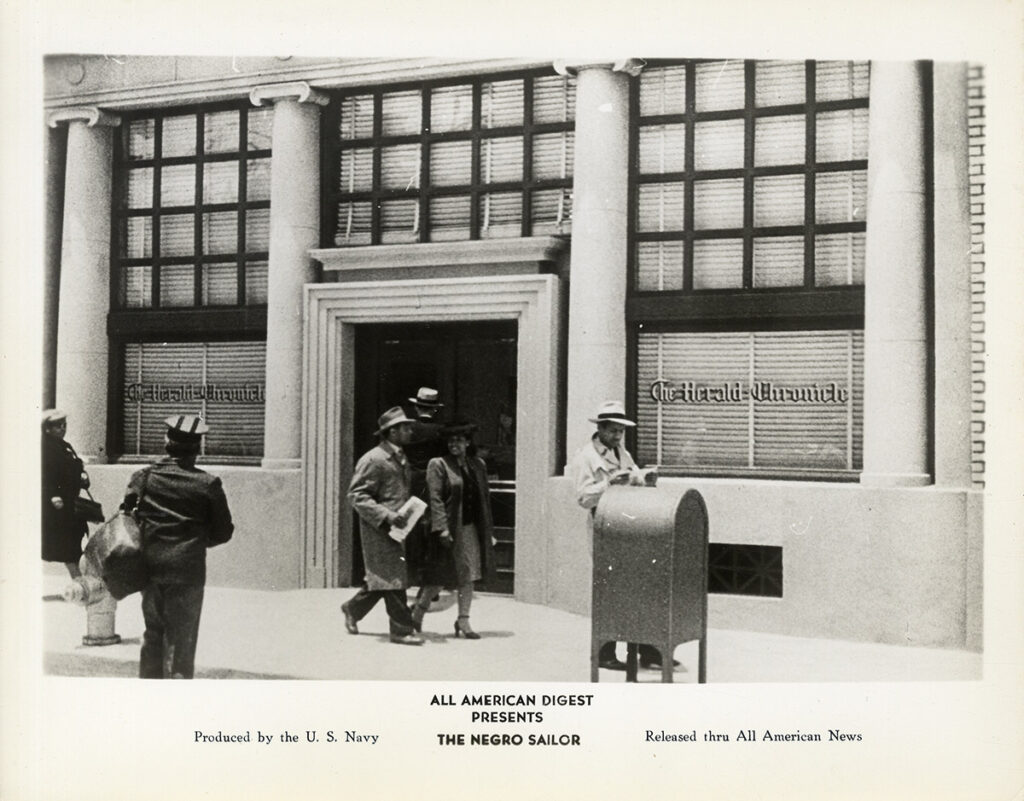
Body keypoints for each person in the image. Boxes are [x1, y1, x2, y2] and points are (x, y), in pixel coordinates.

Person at [123, 414, 234, 679]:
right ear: (197, 448)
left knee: (153, 634)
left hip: (149, 569)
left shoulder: (143, 477)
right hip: (187, 571)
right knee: (180, 641)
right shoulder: (207, 484)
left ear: (166, 442)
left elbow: (126, 517)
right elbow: (224, 531)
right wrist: (195, 541)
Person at [570, 400, 673, 671]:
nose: (617, 436)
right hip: (605, 528)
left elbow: (631, 478)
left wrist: (643, 479)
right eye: (613, 431)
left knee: (639, 587)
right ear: (601, 429)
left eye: (620, 431)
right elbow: (582, 497)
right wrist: (608, 484)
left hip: (628, 527)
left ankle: (647, 649)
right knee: (611, 591)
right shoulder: (586, 457)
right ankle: (604, 652)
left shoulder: (621, 453)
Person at [341, 406, 424, 646]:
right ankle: (401, 630)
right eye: (406, 427)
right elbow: (356, 495)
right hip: (380, 528)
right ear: (392, 432)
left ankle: (352, 609)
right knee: (394, 578)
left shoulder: (400, 456)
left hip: (399, 527)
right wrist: (387, 516)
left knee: (385, 577)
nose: (410, 431)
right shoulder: (373, 459)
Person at [415, 419, 495, 638]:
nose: (454, 445)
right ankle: (417, 614)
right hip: (448, 530)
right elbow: (435, 498)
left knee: (467, 576)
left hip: (470, 529)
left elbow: (484, 500)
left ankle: (463, 621)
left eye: (459, 440)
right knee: (440, 577)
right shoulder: (438, 464)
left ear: (468, 442)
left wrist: (489, 532)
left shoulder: (478, 465)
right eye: (451, 441)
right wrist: (441, 528)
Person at [401, 387, 446, 615]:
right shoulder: (440, 431)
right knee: (431, 536)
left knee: (410, 533)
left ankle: (410, 579)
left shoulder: (408, 429)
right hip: (432, 484)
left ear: (417, 407)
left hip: (410, 485)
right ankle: (430, 586)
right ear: (434, 410)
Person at [41, 409, 89, 579]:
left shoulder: (65, 446)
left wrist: (83, 476)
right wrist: (52, 495)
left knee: (71, 542)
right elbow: (43, 474)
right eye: (57, 426)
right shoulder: (43, 448)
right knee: (67, 545)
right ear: (47, 428)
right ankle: (79, 582)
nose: (62, 428)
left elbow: (76, 466)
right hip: (55, 505)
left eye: (64, 425)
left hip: (69, 502)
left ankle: (79, 581)